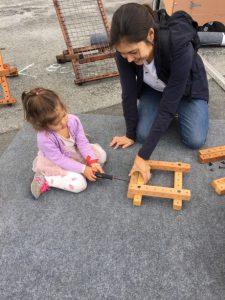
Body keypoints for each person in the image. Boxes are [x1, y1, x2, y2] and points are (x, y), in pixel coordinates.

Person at [109, 3, 209, 183]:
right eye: (124, 55)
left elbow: (168, 105)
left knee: (195, 140)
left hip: (187, 89)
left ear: (151, 34)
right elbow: (128, 93)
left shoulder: (179, 46)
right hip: (155, 89)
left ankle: (177, 112)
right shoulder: (124, 51)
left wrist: (143, 156)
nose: (129, 59)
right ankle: (162, 119)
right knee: (142, 135)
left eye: (133, 52)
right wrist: (129, 134)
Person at [22, 88, 106, 199]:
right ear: (42, 124)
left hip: (72, 152)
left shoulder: (73, 120)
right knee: (79, 184)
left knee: (101, 156)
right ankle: (46, 179)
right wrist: (83, 169)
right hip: (55, 161)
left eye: (63, 115)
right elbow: (60, 160)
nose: (63, 122)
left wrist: (92, 162)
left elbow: (82, 142)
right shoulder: (44, 138)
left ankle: (80, 167)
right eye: (56, 122)